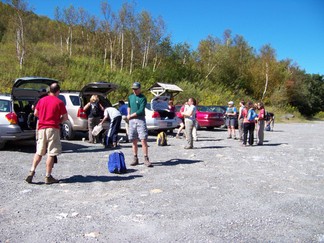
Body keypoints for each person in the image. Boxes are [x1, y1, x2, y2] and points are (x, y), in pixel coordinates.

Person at [25, 83, 68, 184]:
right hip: (53, 128)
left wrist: (43, 118)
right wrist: (58, 121)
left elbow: (35, 113)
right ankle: (48, 176)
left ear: (49, 90)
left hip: (41, 128)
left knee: (39, 152)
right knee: (51, 153)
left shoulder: (41, 100)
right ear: (58, 91)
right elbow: (65, 117)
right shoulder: (59, 102)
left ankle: (31, 171)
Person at [127, 82, 152, 167]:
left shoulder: (143, 98)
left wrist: (131, 115)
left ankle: (146, 158)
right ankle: (135, 158)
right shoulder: (130, 97)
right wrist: (128, 114)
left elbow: (141, 110)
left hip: (140, 119)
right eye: (133, 89)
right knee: (133, 139)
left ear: (139, 89)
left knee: (143, 139)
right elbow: (129, 106)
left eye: (136, 89)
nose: (134, 90)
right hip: (132, 120)